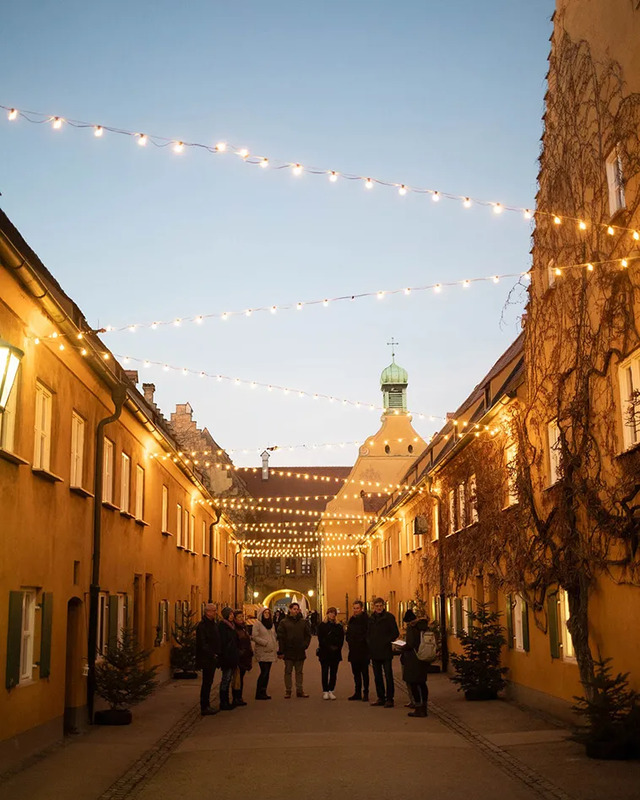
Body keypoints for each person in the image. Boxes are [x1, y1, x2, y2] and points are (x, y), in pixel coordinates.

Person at [367, 597, 399, 708]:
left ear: (383, 606)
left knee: (388, 675)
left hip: (385, 651)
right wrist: (370, 643)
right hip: (375, 651)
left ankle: (390, 699)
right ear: (373, 607)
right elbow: (368, 633)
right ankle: (381, 697)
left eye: (380, 606)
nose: (379, 608)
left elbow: (395, 633)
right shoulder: (371, 619)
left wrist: (386, 641)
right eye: (377, 606)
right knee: (377, 676)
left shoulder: (389, 618)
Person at [276, 602, 311, 698]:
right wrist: (281, 650)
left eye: (297, 609)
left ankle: (300, 690)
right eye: (294, 609)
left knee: (299, 672)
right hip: (288, 651)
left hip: (300, 650)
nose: (296, 611)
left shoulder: (303, 622)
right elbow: (281, 637)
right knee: (288, 671)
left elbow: (308, 635)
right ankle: (288, 690)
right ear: (290, 610)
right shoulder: (284, 622)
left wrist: (305, 645)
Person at [401, 611, 431, 718]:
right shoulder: (424, 626)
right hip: (423, 656)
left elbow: (410, 643)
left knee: (413, 683)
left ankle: (418, 708)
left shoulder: (411, 627)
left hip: (413, 658)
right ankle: (424, 707)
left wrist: (401, 647)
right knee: (422, 683)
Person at [195, 603, 221, 716]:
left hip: (212, 657)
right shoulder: (203, 626)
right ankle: (204, 706)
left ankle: (206, 705)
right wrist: (212, 654)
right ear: (208, 612)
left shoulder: (212, 624)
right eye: (214, 610)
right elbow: (202, 643)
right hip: (207, 658)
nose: (215, 612)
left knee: (209, 682)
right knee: (206, 683)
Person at [317, 606, 344, 700]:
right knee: (324, 672)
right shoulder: (322, 625)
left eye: (334, 613)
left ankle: (331, 690)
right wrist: (328, 647)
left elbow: (341, 639)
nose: (332, 615)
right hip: (324, 652)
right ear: (327, 614)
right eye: (330, 613)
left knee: (333, 672)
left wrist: (336, 647)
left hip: (335, 653)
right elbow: (321, 639)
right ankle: (325, 691)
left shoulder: (339, 626)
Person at [346, 600, 370, 701]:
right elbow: (348, 633)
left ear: (362, 608)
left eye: (357, 608)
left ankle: (366, 693)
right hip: (353, 650)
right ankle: (357, 692)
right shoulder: (352, 619)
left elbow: (368, 634)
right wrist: (349, 640)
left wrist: (361, 640)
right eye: (354, 608)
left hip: (363, 650)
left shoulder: (366, 620)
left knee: (364, 673)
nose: (355, 610)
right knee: (356, 673)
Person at [252, 607, 278, 699]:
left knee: (267, 673)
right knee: (264, 672)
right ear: (261, 614)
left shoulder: (271, 624)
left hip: (270, 651)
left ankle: (263, 691)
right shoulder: (257, 624)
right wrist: (265, 643)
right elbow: (254, 636)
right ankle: (259, 692)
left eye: (268, 613)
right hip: (262, 651)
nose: (267, 614)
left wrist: (274, 644)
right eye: (265, 613)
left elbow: (274, 635)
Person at [218, 607, 239, 710]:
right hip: (226, 657)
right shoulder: (223, 626)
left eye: (232, 614)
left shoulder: (232, 626)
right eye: (230, 614)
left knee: (228, 678)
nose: (232, 616)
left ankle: (226, 700)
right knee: (225, 679)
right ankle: (223, 702)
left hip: (232, 655)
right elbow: (223, 642)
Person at [232, 610, 253, 706]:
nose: (241, 618)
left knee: (241, 678)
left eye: (242, 616)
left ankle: (239, 697)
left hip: (245, 656)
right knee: (237, 678)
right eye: (239, 617)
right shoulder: (234, 628)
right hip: (239, 656)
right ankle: (236, 698)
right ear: (235, 618)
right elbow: (234, 643)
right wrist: (239, 652)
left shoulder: (244, 628)